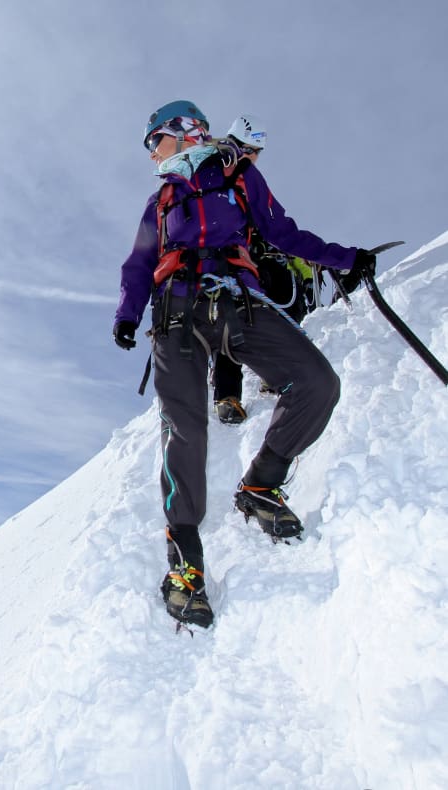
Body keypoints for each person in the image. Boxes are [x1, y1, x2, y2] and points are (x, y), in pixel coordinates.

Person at [112, 100, 376, 629]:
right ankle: (185, 564)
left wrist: (347, 258)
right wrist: (127, 312)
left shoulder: (238, 177)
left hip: (237, 301)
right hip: (176, 313)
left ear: (185, 133)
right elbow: (140, 262)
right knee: (185, 429)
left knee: (318, 382)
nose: (151, 153)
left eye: (153, 141)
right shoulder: (160, 202)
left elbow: (283, 232)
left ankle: (261, 484)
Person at [212, 115, 320, 420]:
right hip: (233, 261)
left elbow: (283, 234)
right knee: (233, 320)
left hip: (255, 262)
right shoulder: (221, 179)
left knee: (263, 312)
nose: (255, 159)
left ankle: (251, 385)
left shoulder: (242, 184)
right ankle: (230, 393)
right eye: (254, 151)